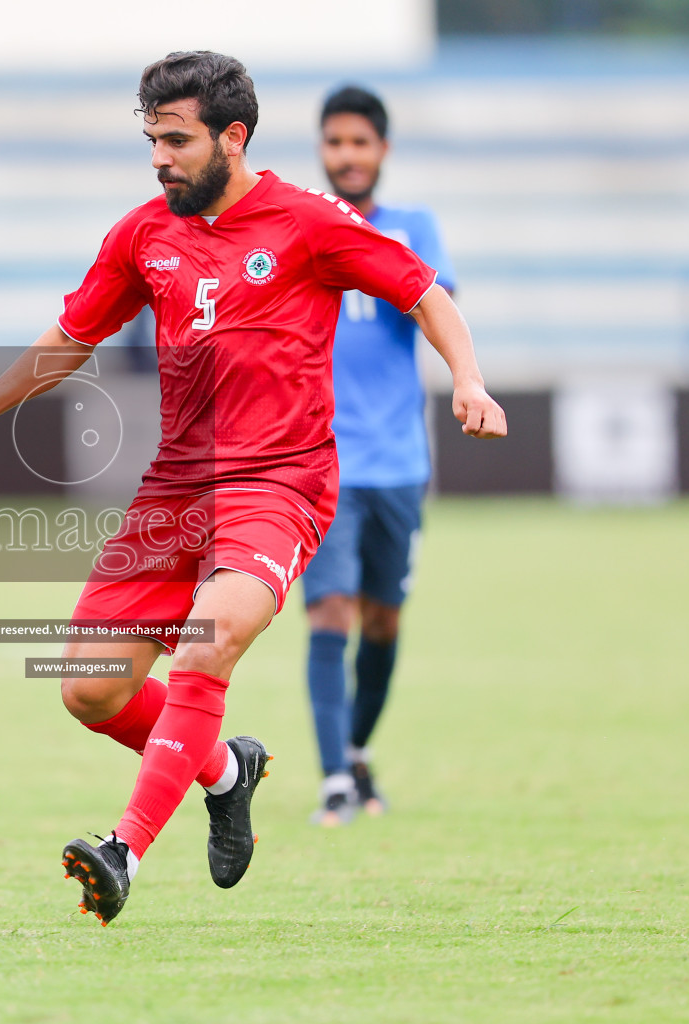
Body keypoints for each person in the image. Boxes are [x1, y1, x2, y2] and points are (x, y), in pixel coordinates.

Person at [0, 52, 506, 925]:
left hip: (280, 484)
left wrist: (468, 379)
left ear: (233, 137)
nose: (159, 157)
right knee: (89, 689)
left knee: (209, 640)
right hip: (174, 492)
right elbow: (69, 339)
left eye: (177, 139)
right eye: (152, 138)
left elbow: (423, 292)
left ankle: (121, 850)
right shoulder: (143, 234)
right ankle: (227, 773)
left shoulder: (309, 223)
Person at [301, 86, 457, 828]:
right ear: (322, 152)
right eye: (335, 143)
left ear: (382, 151)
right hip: (324, 461)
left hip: (399, 461)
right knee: (328, 610)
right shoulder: (301, 230)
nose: (348, 156)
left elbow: (432, 304)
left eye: (360, 143)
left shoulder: (413, 230)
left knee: (383, 622)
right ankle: (334, 778)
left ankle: (355, 750)